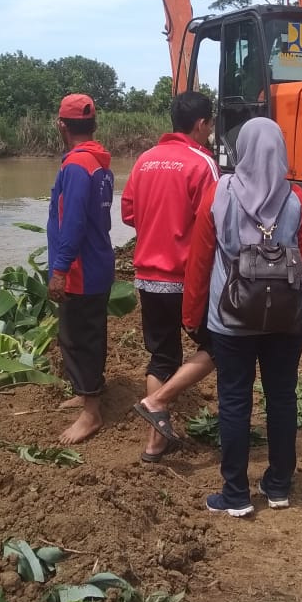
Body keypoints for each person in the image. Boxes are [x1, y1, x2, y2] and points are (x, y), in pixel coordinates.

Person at [183, 117, 302, 517]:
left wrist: (192, 316)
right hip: (286, 319)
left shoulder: (218, 193)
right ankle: (278, 486)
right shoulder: (298, 199)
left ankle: (235, 495)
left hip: (230, 319)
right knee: (281, 398)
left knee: (234, 402)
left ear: (241, 149)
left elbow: (200, 261)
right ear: (281, 151)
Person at [122, 91, 220, 463]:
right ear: (200, 125)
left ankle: (154, 443)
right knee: (219, 348)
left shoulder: (145, 160)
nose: (210, 131)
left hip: (148, 277)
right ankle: (157, 401)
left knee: (162, 356)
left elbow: (129, 214)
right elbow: (215, 220)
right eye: (209, 125)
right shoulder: (203, 163)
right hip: (188, 279)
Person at [47, 93, 115, 444]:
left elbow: (71, 223)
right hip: (98, 261)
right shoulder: (99, 163)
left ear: (62, 125)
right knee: (90, 334)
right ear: (93, 124)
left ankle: (91, 412)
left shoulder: (75, 166)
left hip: (81, 269)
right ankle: (87, 391)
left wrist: (58, 269)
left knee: (77, 339)